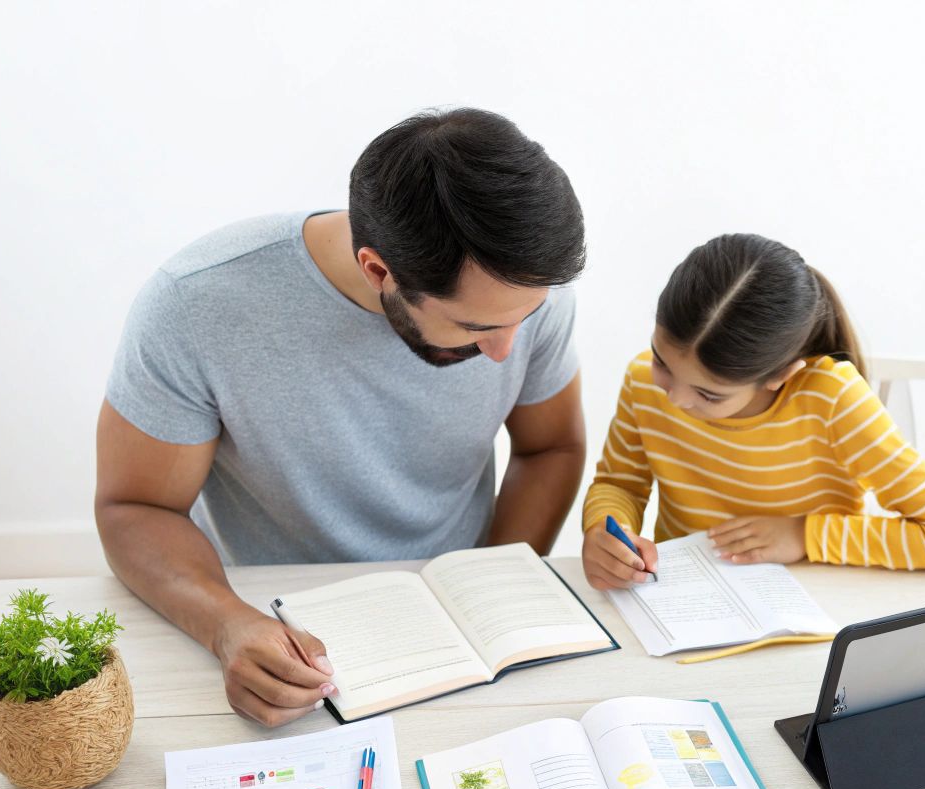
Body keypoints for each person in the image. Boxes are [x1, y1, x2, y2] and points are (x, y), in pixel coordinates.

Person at [95, 108, 589, 727]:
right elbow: (135, 509)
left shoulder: (518, 288)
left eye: (528, 317)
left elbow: (549, 450)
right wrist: (227, 623)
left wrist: (488, 587)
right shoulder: (195, 304)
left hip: (460, 624)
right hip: (276, 625)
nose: (505, 349)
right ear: (378, 270)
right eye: (476, 327)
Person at [581, 232, 925, 590]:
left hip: (819, 604)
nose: (675, 399)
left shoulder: (833, 400)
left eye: (709, 394)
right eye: (661, 362)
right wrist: (604, 530)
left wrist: (804, 537)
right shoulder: (641, 383)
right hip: (685, 605)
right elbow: (620, 485)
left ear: (781, 375)